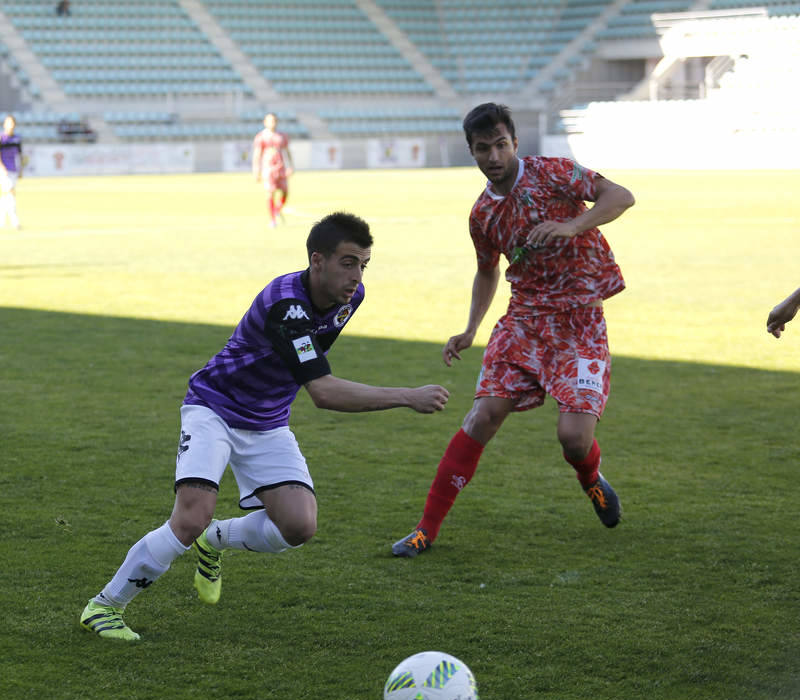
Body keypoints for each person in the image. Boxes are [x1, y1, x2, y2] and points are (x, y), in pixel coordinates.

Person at [80, 212, 450, 641]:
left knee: (298, 527)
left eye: (364, 264)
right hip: (214, 408)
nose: (357, 275)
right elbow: (324, 392)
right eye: (348, 263)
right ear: (317, 260)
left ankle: (214, 541)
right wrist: (407, 395)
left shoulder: (352, 297)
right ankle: (104, 606)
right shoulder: (285, 305)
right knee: (190, 516)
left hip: (268, 420)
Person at [391, 103, 635, 558]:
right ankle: (426, 529)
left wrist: (572, 224)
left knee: (573, 438)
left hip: (580, 322)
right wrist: (470, 328)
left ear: (515, 143)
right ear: (473, 153)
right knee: (482, 415)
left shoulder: (556, 173)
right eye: (483, 148)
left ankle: (591, 481)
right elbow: (487, 272)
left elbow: (621, 196)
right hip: (523, 321)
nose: (494, 156)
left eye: (501, 144)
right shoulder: (482, 215)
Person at [252, 112, 293, 228]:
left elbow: (287, 151)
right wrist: (256, 171)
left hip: (281, 168)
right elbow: (257, 155)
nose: (272, 122)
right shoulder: (261, 136)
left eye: (274, 120)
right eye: (270, 120)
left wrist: (290, 165)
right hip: (268, 169)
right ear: (265, 122)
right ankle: (273, 220)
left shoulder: (282, 136)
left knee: (285, 192)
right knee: (270, 193)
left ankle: (277, 210)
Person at [0, 115, 22, 230]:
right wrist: (2, 167)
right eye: (8, 123)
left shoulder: (17, 138)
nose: (10, 125)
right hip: (3, 170)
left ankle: (1, 221)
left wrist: (20, 169)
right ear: (4, 124)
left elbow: (19, 154)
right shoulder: (1, 138)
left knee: (6, 195)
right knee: (11, 193)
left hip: (13, 169)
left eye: (12, 123)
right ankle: (15, 221)